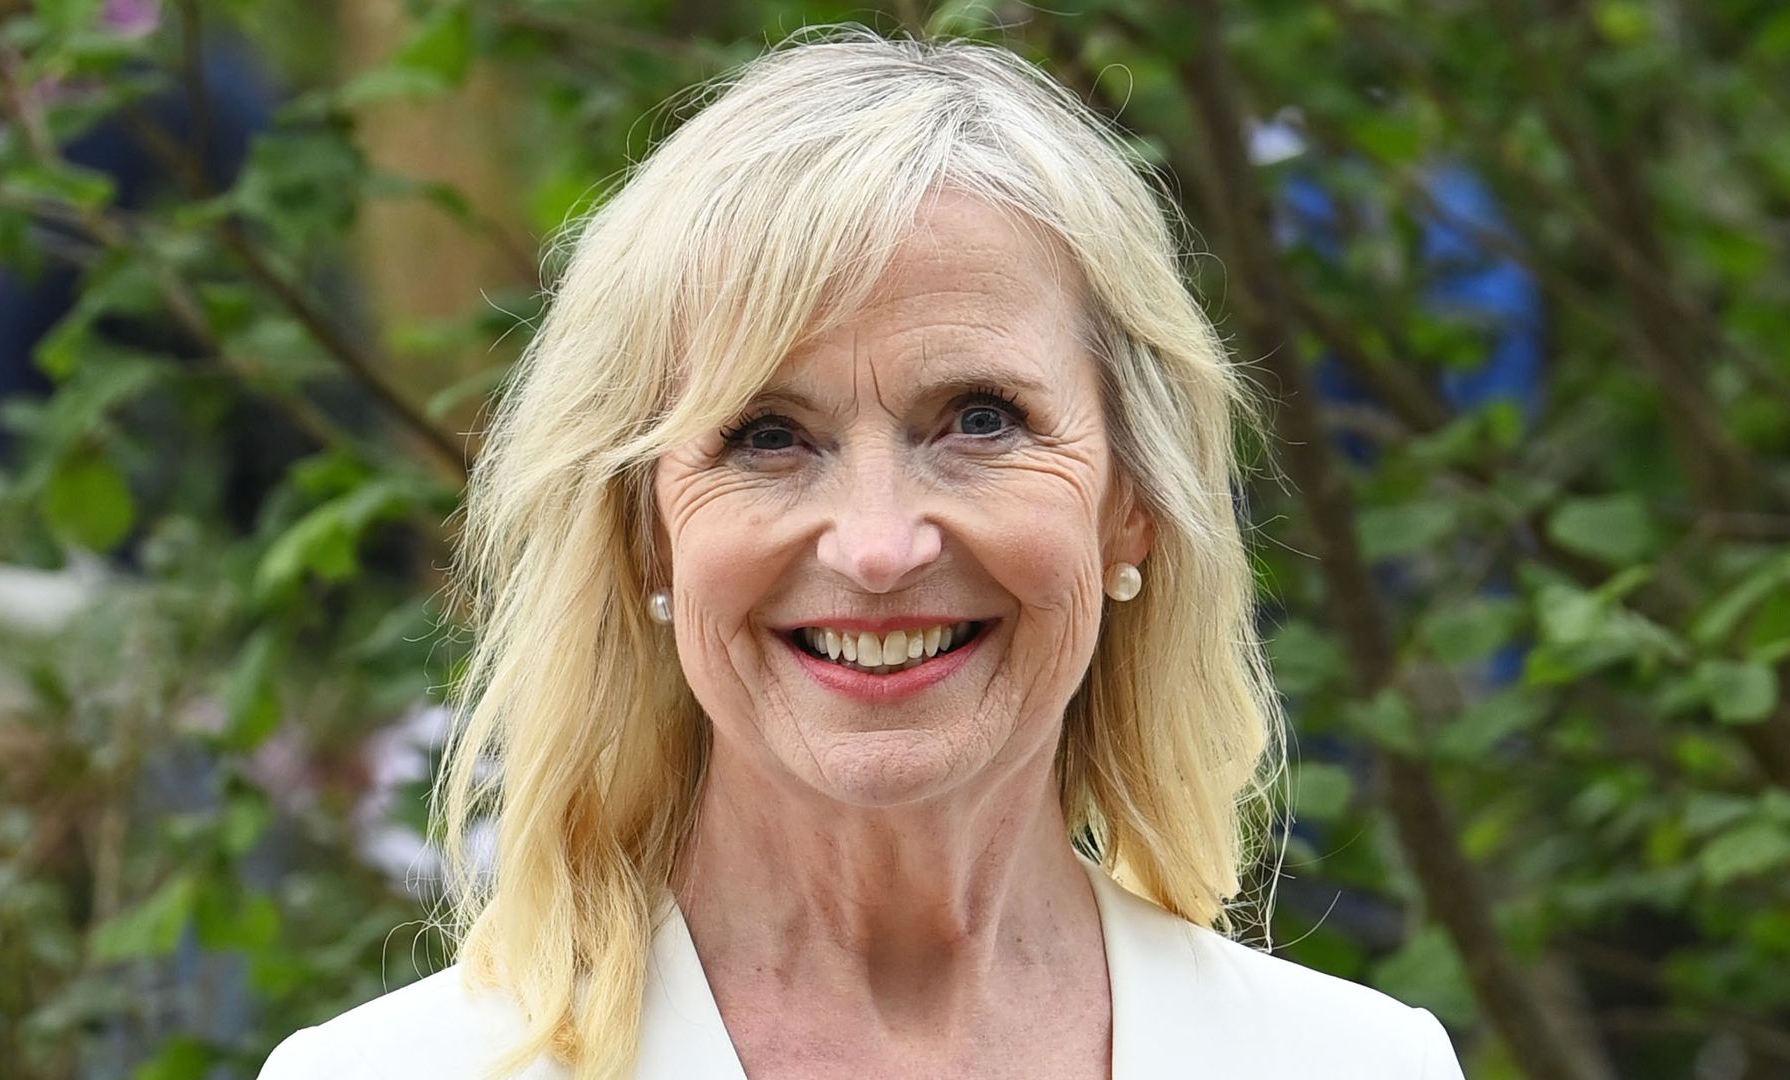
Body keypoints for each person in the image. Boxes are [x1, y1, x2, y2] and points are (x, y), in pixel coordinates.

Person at [259, 27, 1468, 1080]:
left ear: (1130, 502)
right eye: (767, 435)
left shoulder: (1361, 1066)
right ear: (643, 528)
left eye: (981, 419)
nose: (879, 547)